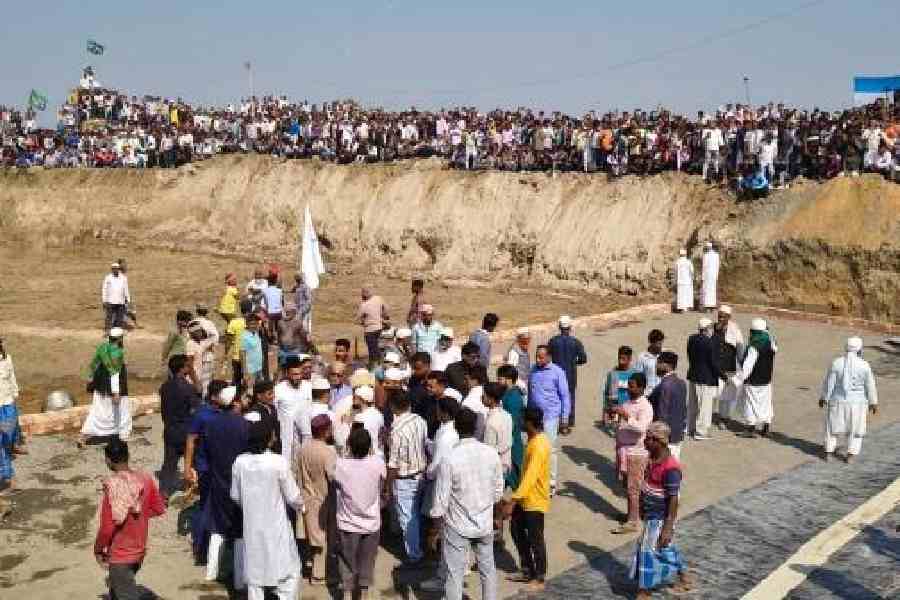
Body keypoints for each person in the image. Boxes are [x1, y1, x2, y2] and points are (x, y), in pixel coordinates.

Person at [430, 408, 504, 600]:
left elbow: (441, 501)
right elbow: (498, 492)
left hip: (457, 526)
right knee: (488, 571)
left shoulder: (450, 459)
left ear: (455, 427)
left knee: (454, 575)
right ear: (476, 427)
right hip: (484, 523)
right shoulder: (491, 454)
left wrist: (436, 530)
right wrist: (496, 518)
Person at [231, 418, 304, 600]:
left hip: (252, 525)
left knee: (255, 577)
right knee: (289, 571)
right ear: (269, 439)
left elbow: (235, 495)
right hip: (276, 525)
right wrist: (302, 507)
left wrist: (250, 506)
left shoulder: (240, 462)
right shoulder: (278, 462)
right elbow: (293, 496)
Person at [93, 439, 166, 600]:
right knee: (118, 589)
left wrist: (98, 549)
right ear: (128, 455)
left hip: (120, 554)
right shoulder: (145, 479)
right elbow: (158, 508)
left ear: (108, 460)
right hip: (139, 550)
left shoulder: (112, 487)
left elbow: (107, 528)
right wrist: (137, 517)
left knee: (124, 591)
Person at [631, 421, 692, 598]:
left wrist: (667, 527)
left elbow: (673, 499)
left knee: (647, 551)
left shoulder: (671, 468)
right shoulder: (652, 459)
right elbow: (647, 484)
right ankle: (684, 576)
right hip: (650, 514)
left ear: (659, 442)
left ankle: (645, 591)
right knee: (664, 548)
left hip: (660, 517)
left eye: (649, 439)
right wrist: (642, 505)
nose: (645, 442)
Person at [202, 385, 248, 585]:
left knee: (217, 527)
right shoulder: (245, 425)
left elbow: (205, 454)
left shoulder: (211, 424)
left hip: (218, 481)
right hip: (241, 483)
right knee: (239, 531)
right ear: (236, 402)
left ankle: (211, 572)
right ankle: (239, 579)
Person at [334, 427, 386, 600]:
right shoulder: (378, 463)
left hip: (348, 523)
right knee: (367, 561)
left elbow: (335, 481)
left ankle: (347, 594)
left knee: (347, 561)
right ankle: (363, 594)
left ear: (349, 444)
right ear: (369, 446)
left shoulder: (341, 464)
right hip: (371, 523)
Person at [504, 407, 551, 593]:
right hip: (526, 498)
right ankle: (526, 568)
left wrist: (513, 501)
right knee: (516, 529)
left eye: (523, 420)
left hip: (534, 500)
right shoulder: (533, 440)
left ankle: (540, 576)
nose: (520, 424)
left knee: (535, 538)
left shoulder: (539, 445)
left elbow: (531, 476)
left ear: (530, 423)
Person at [184, 380, 229, 560]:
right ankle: (200, 546)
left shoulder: (223, 412)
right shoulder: (202, 415)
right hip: (206, 467)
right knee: (206, 505)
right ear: (213, 397)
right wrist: (187, 468)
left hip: (220, 465)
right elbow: (190, 440)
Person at [819, 337, 878, 462]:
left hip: (837, 401)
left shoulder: (837, 363)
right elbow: (870, 385)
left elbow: (829, 383)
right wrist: (873, 402)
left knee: (831, 428)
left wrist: (824, 397)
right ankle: (850, 455)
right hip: (858, 404)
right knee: (855, 430)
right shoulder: (864, 365)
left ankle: (828, 452)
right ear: (859, 350)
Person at [386, 391, 428, 566]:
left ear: (393, 407)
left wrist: (387, 487)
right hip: (421, 474)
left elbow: (393, 464)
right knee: (416, 515)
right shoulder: (420, 420)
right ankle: (419, 548)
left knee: (408, 518)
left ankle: (414, 556)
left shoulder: (397, 430)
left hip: (405, 479)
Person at [296, 413, 338, 585]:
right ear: (326, 431)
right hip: (322, 500)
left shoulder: (302, 448)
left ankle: (309, 566)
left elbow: (295, 471)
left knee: (309, 536)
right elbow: (333, 477)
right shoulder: (327, 452)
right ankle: (319, 575)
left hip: (305, 497)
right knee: (321, 538)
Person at [610, 373, 653, 534]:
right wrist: (615, 416)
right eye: (629, 385)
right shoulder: (627, 403)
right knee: (626, 486)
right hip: (624, 450)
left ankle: (633, 521)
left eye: (632, 386)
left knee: (633, 488)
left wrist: (626, 416)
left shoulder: (646, 407)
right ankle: (631, 514)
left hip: (636, 452)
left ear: (641, 388)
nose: (629, 388)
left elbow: (641, 428)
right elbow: (622, 422)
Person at [527, 345, 571, 492]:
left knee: (549, 450)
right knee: (534, 449)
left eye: (541, 357)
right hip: (534, 419)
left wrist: (564, 418)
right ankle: (536, 478)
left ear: (549, 357)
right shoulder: (533, 370)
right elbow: (530, 392)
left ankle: (550, 482)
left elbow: (565, 395)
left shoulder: (557, 372)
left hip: (550, 418)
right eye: (536, 356)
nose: (538, 359)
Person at [159, 354, 199, 498]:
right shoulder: (187, 388)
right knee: (194, 461)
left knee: (169, 464)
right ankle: (194, 487)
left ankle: (164, 493)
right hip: (186, 431)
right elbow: (197, 402)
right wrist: (194, 376)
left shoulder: (164, 387)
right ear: (183, 369)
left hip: (170, 430)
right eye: (188, 366)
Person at [82, 328, 132, 441]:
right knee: (120, 411)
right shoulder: (117, 352)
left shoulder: (102, 347)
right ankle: (121, 435)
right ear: (119, 339)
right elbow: (114, 373)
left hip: (100, 386)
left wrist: (89, 379)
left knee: (97, 411)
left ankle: (87, 433)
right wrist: (116, 392)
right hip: (113, 387)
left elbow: (93, 364)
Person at [733, 318, 778, 438]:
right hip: (766, 380)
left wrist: (737, 380)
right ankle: (766, 428)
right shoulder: (771, 343)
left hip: (754, 381)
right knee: (766, 404)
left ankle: (750, 429)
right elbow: (773, 342)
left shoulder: (754, 347)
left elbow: (747, 367)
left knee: (750, 405)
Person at [547, 315, 588, 428]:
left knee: (556, 397)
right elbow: (583, 359)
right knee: (570, 397)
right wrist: (574, 362)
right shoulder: (576, 342)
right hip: (570, 374)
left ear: (559, 327)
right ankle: (569, 421)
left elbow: (547, 357)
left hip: (555, 374)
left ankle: (556, 420)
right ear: (570, 327)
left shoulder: (553, 341)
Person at [646, 352, 687, 460]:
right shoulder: (681, 383)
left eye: (658, 363)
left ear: (666, 365)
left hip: (665, 437)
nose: (656, 366)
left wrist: (657, 436)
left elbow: (662, 414)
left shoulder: (665, 385)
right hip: (678, 434)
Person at [686, 318, 721, 440]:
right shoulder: (708, 342)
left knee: (693, 403)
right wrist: (723, 376)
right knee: (704, 406)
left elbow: (689, 355)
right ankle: (701, 432)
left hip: (693, 375)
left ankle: (690, 428)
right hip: (705, 378)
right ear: (707, 329)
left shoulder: (691, 338)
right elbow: (712, 363)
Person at [275, 358, 312, 462]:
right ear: (287, 374)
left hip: (306, 434)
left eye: (300, 374)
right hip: (286, 435)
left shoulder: (308, 387)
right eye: (295, 374)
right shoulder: (279, 389)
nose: (298, 377)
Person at [713, 306, 744, 424]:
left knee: (728, 394)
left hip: (729, 366)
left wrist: (742, 365)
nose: (720, 319)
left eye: (723, 317)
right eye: (719, 316)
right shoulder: (713, 328)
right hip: (716, 367)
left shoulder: (735, 330)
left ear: (729, 318)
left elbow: (740, 348)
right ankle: (714, 416)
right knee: (716, 394)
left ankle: (724, 417)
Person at [497, 365, 525, 490]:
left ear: (508, 380)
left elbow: (512, 422)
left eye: (500, 379)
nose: (498, 381)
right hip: (509, 438)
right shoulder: (508, 393)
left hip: (511, 439)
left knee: (514, 470)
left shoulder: (513, 398)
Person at [0, 338, 23, 493]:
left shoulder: (7, 358)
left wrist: (15, 394)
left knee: (6, 439)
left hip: (7, 405)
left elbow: (12, 377)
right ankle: (9, 477)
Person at [482, 382, 513, 480]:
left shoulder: (491, 422)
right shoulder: (507, 415)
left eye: (484, 395)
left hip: (495, 467)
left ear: (491, 399)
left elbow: (489, 450)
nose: (482, 397)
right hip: (506, 462)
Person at [603, 345, 636, 426]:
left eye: (623, 359)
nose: (621, 362)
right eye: (619, 358)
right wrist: (606, 411)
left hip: (630, 412)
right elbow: (606, 393)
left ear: (630, 359)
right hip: (615, 412)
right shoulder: (613, 374)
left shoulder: (634, 374)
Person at [356, 286, 389, 365]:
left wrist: (364, 322)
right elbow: (386, 309)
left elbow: (357, 319)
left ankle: (375, 367)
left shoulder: (364, 305)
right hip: (379, 328)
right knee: (379, 348)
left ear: (364, 294)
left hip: (369, 330)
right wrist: (384, 317)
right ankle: (380, 364)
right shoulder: (378, 298)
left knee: (372, 351)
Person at [186, 320, 215, 397]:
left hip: (199, 377)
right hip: (192, 380)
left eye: (200, 331)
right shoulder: (190, 344)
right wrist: (196, 382)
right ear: (191, 333)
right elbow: (189, 365)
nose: (200, 333)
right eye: (197, 331)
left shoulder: (199, 343)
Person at [224, 301, 248, 390]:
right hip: (249, 357)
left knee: (237, 379)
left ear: (241, 310)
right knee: (248, 380)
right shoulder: (254, 322)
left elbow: (228, 340)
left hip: (237, 356)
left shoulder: (234, 323)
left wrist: (226, 353)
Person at [277, 304, 311, 368]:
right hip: (283, 350)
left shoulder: (297, 323)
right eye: (286, 311)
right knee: (283, 367)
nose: (287, 313)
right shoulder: (280, 322)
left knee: (294, 368)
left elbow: (306, 338)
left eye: (289, 311)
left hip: (295, 350)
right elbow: (279, 335)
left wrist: (309, 348)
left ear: (294, 313)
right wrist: (279, 347)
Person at [102, 261, 131, 331]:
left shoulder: (123, 278)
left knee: (119, 317)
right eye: (114, 268)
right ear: (112, 269)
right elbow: (104, 289)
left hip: (120, 301)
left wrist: (128, 299)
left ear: (119, 269)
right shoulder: (108, 277)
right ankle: (107, 331)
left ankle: (117, 332)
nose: (115, 270)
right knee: (109, 317)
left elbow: (126, 289)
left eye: (117, 268)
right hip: (110, 301)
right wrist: (104, 300)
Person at [634, 330, 665, 395]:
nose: (660, 346)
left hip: (662, 393)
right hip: (648, 394)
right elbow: (638, 377)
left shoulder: (664, 355)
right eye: (658, 344)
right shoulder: (642, 357)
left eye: (661, 343)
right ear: (651, 343)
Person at [240, 314, 265, 394]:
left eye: (255, 323)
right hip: (250, 369)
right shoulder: (245, 337)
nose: (254, 326)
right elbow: (242, 354)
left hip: (259, 367)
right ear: (247, 324)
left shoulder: (256, 333)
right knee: (250, 391)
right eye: (252, 324)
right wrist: (245, 372)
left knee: (260, 389)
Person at [700, 242, 720, 311]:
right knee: (712, 290)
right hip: (714, 275)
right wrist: (716, 276)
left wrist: (702, 277)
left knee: (706, 290)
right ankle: (712, 306)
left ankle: (707, 306)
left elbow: (704, 266)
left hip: (707, 275)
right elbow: (717, 266)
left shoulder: (706, 255)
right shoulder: (716, 255)